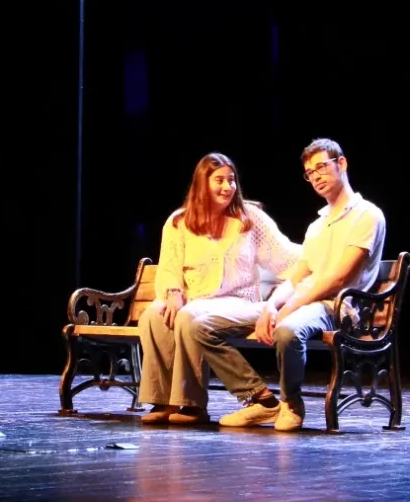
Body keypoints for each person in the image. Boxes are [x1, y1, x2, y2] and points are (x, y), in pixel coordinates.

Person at [186, 137, 386, 431]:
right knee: (200, 327)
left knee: (287, 331)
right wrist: (271, 305)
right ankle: (261, 400)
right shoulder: (317, 225)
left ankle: (291, 404)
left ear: (341, 164)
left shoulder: (367, 215)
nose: (316, 176)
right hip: (303, 301)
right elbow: (297, 276)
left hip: (337, 306)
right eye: (310, 172)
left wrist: (288, 308)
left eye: (321, 167)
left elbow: (338, 279)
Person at [138, 152, 302, 425]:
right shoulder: (179, 222)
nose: (227, 187)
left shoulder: (250, 219)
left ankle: (192, 405)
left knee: (188, 317)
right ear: (202, 183)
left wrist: (318, 260)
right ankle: (163, 401)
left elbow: (287, 257)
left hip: (238, 301)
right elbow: (168, 266)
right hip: (194, 298)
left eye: (231, 180)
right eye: (219, 180)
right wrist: (173, 293)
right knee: (154, 315)